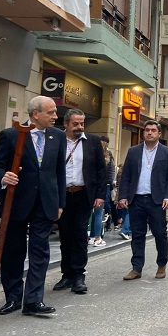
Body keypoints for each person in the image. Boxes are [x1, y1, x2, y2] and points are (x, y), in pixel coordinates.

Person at [0, 96, 66, 316]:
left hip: (45, 202)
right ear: (35, 114)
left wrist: (60, 202)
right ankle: (13, 297)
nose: (55, 116)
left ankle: (33, 300)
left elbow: (59, 171)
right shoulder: (12, 135)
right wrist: (4, 177)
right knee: (13, 250)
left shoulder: (57, 136)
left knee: (40, 251)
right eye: (50, 112)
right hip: (17, 201)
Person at [52, 109, 106, 294]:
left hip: (83, 195)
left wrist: (100, 194)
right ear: (66, 124)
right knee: (65, 235)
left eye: (82, 123)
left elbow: (101, 170)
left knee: (80, 234)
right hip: (62, 196)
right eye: (75, 124)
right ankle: (66, 274)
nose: (79, 127)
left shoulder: (92, 141)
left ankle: (79, 275)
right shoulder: (57, 141)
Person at [118, 121, 168, 280]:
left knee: (160, 234)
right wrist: (123, 196)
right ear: (144, 133)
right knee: (137, 234)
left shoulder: (167, 152)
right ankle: (136, 268)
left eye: (153, 130)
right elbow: (126, 176)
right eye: (147, 130)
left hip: (156, 201)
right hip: (136, 199)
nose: (149, 133)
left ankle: (162, 264)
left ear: (159, 134)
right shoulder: (133, 151)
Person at [100, 135, 117, 232]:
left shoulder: (109, 153)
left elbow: (112, 169)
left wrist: (110, 181)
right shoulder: (97, 152)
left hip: (106, 183)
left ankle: (108, 222)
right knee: (105, 203)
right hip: (102, 182)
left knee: (106, 203)